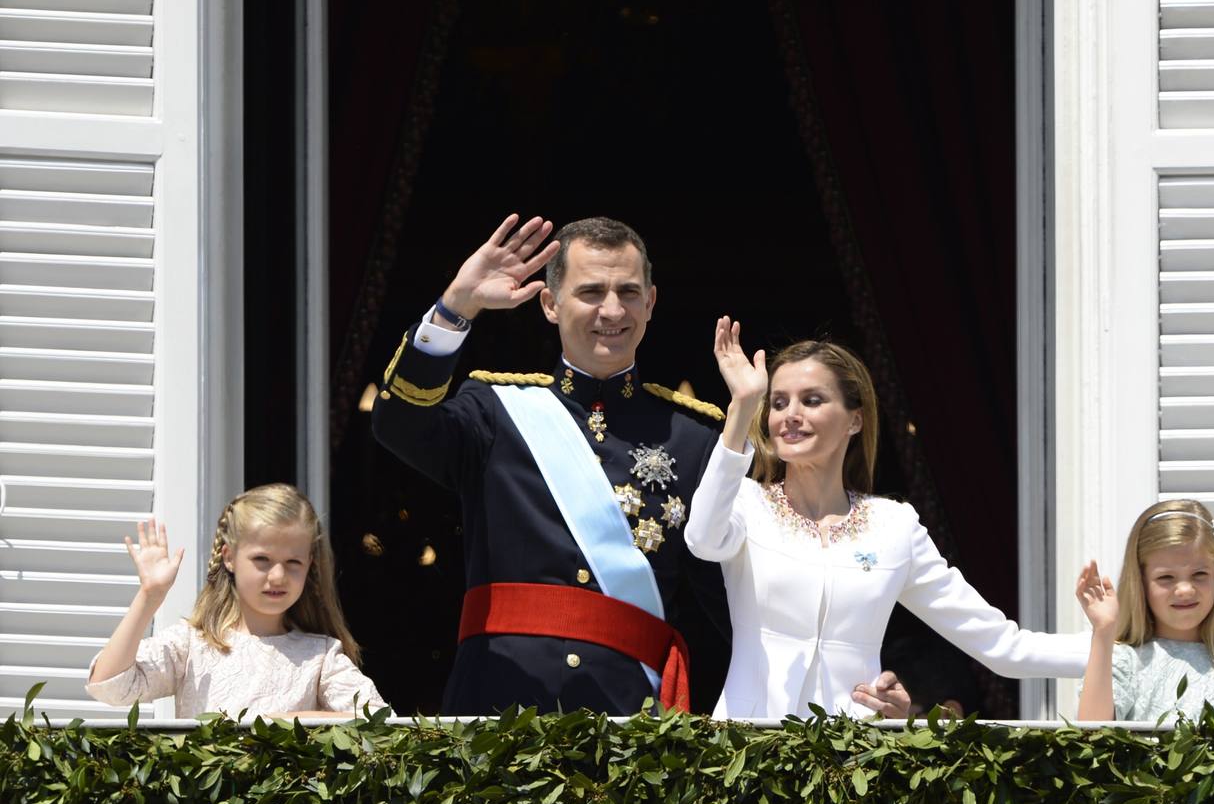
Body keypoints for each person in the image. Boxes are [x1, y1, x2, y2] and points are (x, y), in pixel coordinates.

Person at [371, 214, 734, 715]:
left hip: (632, 720)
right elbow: (399, 424)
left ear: (650, 303)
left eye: (628, 292)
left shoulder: (695, 438)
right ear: (550, 303)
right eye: (591, 292)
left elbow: (726, 604)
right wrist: (457, 305)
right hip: (499, 710)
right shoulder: (495, 411)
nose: (612, 310)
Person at [685, 321, 1089, 719]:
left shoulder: (894, 526)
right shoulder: (746, 502)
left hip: (853, 753)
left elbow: (1002, 647)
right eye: (777, 403)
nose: (790, 414)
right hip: (748, 747)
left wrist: (1111, 650)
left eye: (812, 400)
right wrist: (742, 407)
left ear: (854, 420)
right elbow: (702, 539)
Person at [86, 484, 386, 718]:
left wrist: (286, 722)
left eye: (293, 562)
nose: (278, 576)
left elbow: (378, 721)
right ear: (229, 558)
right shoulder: (192, 645)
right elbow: (110, 686)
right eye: (262, 559)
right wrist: (149, 596)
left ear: (310, 564)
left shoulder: (320, 656)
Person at [1074, 499, 1214, 721]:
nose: (1185, 590)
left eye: (1199, 574)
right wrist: (1104, 630)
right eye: (1166, 577)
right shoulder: (1124, 660)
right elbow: (1092, 733)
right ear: (1140, 582)